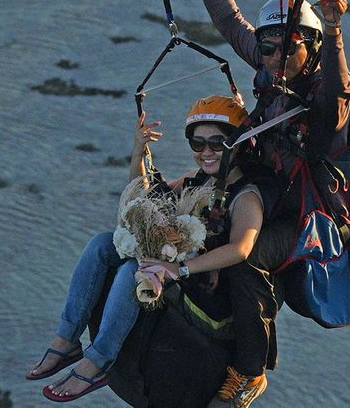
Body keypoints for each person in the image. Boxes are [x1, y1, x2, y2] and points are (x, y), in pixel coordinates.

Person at [175, 0, 350, 407]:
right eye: (268, 47)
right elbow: (229, 20)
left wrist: (336, 30)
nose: (274, 56)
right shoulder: (268, 69)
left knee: (246, 256)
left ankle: (250, 372)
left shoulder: (324, 94)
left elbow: (337, 105)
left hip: (308, 216)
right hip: (263, 193)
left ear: (312, 49)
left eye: (288, 47)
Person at [27, 95, 266, 403]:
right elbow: (146, 198)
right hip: (174, 268)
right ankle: (67, 338)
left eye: (217, 143)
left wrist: (178, 269)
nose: (206, 152)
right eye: (197, 144)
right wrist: (139, 153)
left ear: (238, 143)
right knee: (101, 243)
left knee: (133, 270)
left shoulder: (245, 196)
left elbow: (241, 248)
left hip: (203, 287)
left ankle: (99, 360)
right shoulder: (199, 180)